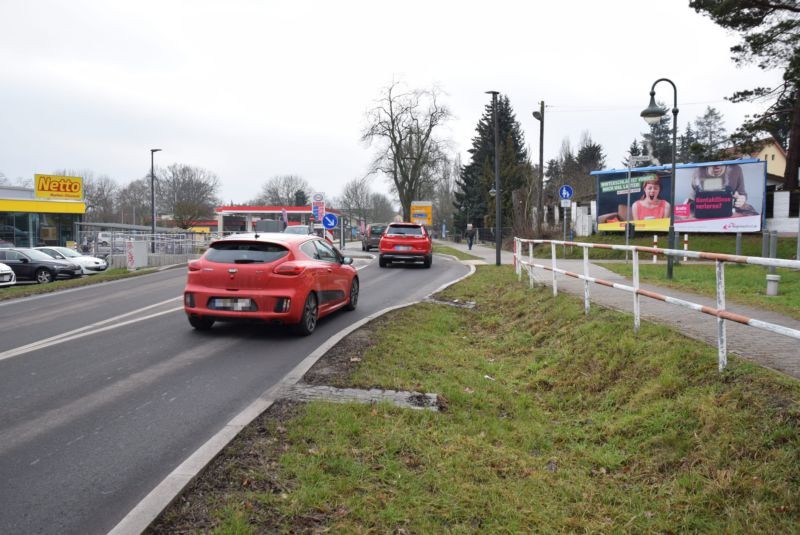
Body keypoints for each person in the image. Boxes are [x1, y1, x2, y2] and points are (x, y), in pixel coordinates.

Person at [684, 164, 758, 216]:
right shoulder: (698, 171)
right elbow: (694, 195)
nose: (716, 166)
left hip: (730, 209)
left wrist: (742, 199)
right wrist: (688, 203)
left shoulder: (735, 169)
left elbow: (741, 193)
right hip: (705, 210)